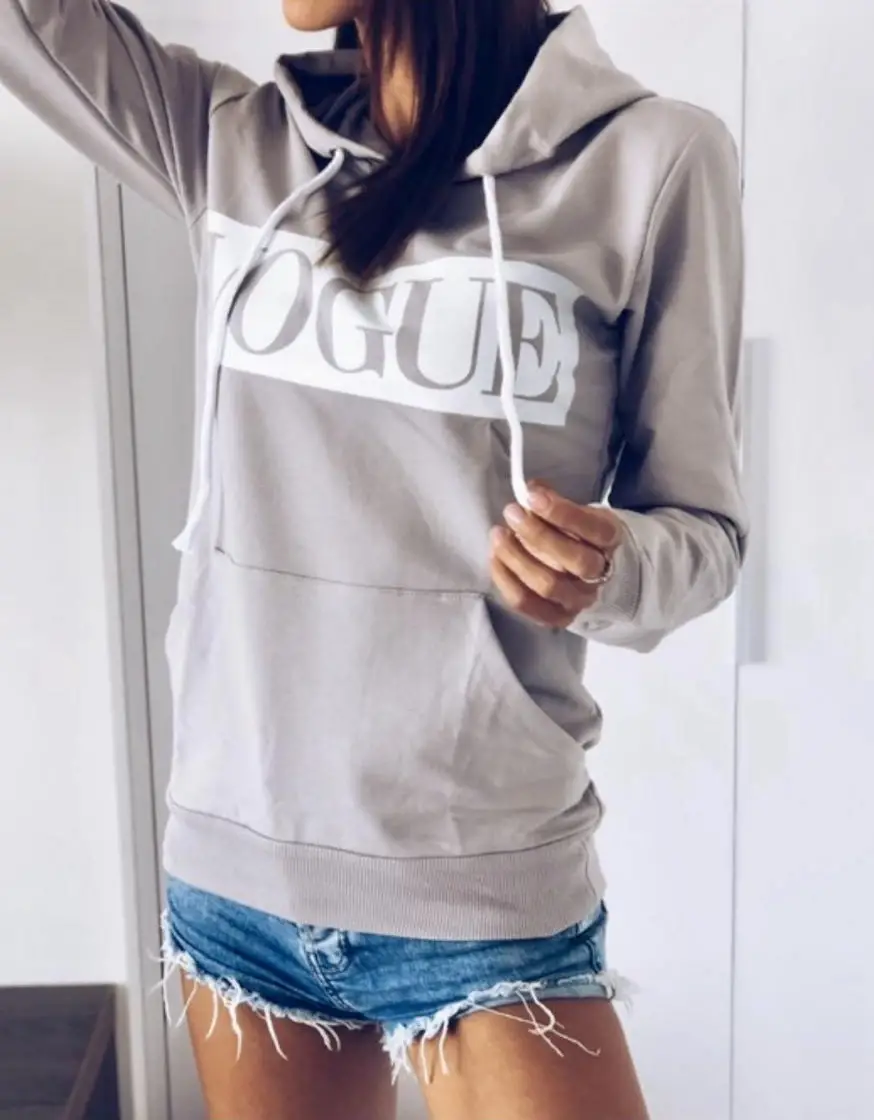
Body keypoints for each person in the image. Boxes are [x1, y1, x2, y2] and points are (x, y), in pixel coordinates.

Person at [0, 1, 746, 1117]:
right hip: (237, 872)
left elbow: (706, 530)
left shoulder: (653, 160)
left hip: (480, 880)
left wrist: (614, 566)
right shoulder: (226, 139)